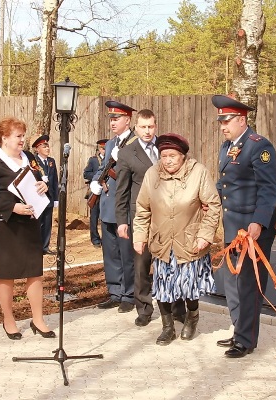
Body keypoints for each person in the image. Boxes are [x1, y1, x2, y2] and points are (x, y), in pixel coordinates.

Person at [133, 133, 221, 345]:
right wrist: (139, 236)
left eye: (172, 155)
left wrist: (205, 235)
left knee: (188, 287)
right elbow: (143, 208)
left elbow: (214, 206)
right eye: (164, 156)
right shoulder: (152, 174)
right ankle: (167, 327)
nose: (168, 160)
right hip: (162, 240)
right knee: (163, 287)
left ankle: (192, 317)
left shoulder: (198, 172)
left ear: (182, 156)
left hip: (189, 240)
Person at [212, 95, 276, 358]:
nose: (223, 126)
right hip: (232, 226)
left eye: (227, 121)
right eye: (221, 122)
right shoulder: (227, 147)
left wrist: (259, 222)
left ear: (242, 120)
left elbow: (268, 188)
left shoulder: (259, 146)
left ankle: (246, 340)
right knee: (233, 282)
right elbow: (226, 184)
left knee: (249, 284)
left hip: (253, 229)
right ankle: (240, 328)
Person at [0, 117, 55, 340]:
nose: (23, 140)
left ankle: (38, 319)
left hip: (30, 222)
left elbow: (37, 179)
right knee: (6, 275)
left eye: (23, 135)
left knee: (35, 273)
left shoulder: (28, 158)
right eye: (18, 136)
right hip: (6, 226)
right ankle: (8, 319)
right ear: (4, 138)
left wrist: (43, 184)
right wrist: (13, 207)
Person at [115, 109, 186, 327]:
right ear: (135, 127)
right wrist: (121, 221)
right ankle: (144, 308)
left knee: (172, 264)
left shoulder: (167, 148)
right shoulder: (127, 153)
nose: (147, 131)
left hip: (170, 217)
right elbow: (122, 190)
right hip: (142, 219)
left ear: (156, 126)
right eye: (143, 127)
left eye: (151, 126)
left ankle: (176, 307)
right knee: (141, 265)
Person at [89, 101, 137, 313]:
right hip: (108, 204)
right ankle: (115, 291)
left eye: (117, 118)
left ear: (128, 120)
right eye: (111, 119)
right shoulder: (110, 144)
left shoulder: (135, 143)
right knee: (110, 253)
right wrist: (96, 181)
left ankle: (129, 294)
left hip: (124, 205)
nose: (113, 122)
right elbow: (102, 167)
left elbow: (140, 172)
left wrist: (123, 157)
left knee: (127, 253)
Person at [32, 134, 59, 255]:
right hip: (38, 197)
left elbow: (55, 181)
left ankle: (45, 246)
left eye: (47, 146)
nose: (47, 149)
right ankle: (36, 246)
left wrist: (56, 198)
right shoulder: (33, 161)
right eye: (44, 146)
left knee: (47, 223)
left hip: (49, 197)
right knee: (38, 223)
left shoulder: (51, 161)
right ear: (37, 149)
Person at [83, 139, 107, 248]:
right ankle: (95, 239)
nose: (104, 151)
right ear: (99, 149)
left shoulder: (111, 160)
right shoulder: (93, 160)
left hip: (107, 191)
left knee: (105, 216)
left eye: (106, 148)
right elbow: (86, 173)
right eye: (102, 148)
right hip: (96, 191)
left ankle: (106, 238)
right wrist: (97, 177)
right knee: (94, 216)